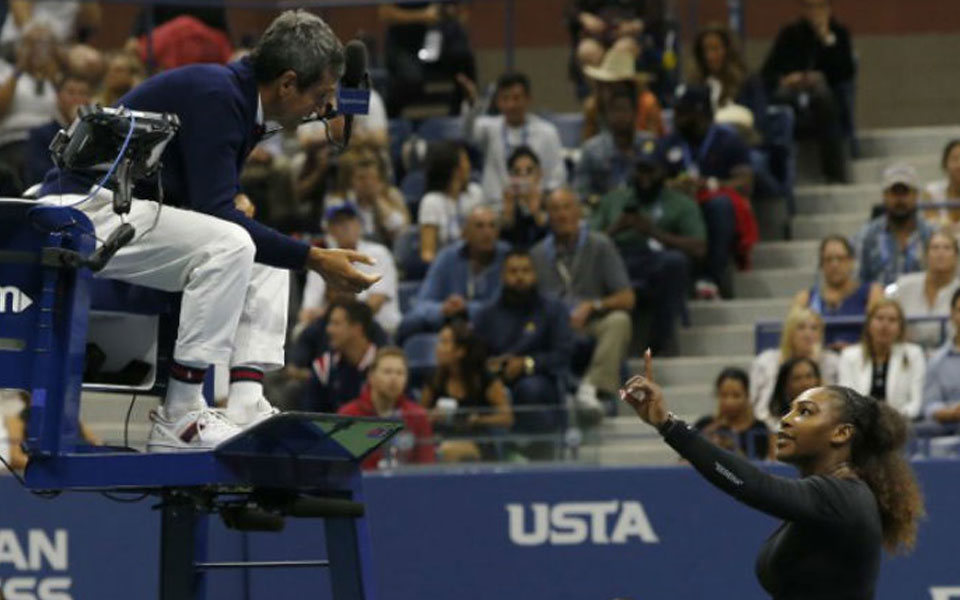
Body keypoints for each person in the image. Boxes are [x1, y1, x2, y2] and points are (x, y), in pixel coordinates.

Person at [35, 11, 380, 451]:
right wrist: (315, 259)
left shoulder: (238, 98)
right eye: (321, 95)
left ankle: (246, 401)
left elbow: (207, 196)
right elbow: (217, 215)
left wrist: (234, 204)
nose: (323, 108)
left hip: (124, 210)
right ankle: (180, 414)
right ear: (288, 83)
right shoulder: (219, 96)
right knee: (235, 243)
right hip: (81, 212)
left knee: (257, 247)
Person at [622, 353, 924, 599]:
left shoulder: (843, 497)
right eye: (789, 410)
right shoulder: (832, 497)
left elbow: (750, 484)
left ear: (841, 433)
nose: (786, 420)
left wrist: (669, 425)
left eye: (805, 412)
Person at [590, 145, 706, 354]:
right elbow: (586, 245)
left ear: (662, 171)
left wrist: (653, 232)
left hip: (655, 261)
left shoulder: (680, 203)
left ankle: (660, 342)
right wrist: (616, 227)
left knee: (675, 262)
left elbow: (699, 248)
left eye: (650, 170)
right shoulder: (613, 199)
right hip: (618, 260)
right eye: (640, 170)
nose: (644, 177)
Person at [531, 187, 635, 409]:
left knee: (619, 321)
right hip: (553, 326)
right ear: (547, 216)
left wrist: (594, 305)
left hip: (590, 322)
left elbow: (627, 297)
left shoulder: (601, 245)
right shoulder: (537, 254)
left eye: (567, 207)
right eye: (555, 209)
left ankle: (592, 387)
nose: (562, 214)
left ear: (579, 212)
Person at [657, 84, 752, 298]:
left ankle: (712, 278)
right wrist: (672, 186)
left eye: (682, 112)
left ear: (699, 113)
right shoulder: (669, 142)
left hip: (711, 202)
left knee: (720, 206)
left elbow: (745, 182)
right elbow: (651, 178)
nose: (676, 117)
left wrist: (710, 184)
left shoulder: (728, 140)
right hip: (677, 207)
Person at [474, 249, 574, 439]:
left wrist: (527, 363)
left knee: (529, 389)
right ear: (503, 276)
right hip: (495, 381)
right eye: (513, 271)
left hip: (541, 379)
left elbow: (563, 354)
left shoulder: (553, 310)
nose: (520, 276)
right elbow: (475, 355)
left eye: (525, 271)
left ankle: (537, 450)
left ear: (535, 274)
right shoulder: (486, 315)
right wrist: (492, 366)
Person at [761, 0, 855, 183]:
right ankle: (778, 169)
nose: (815, 12)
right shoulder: (789, 34)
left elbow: (845, 72)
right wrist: (787, 79)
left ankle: (834, 173)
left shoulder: (839, 34)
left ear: (829, 9)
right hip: (793, 92)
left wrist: (826, 39)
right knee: (779, 98)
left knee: (823, 98)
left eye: (820, 7)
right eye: (810, 7)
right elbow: (767, 72)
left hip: (826, 96)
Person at [398, 205, 510, 341]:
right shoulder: (447, 257)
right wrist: (443, 309)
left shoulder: (508, 258)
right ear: (465, 232)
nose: (487, 232)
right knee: (410, 322)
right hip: (450, 324)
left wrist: (467, 308)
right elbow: (423, 303)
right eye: (480, 226)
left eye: (492, 226)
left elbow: (505, 306)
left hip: (493, 327)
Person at [460, 71, 566, 209]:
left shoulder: (547, 132)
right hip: (496, 207)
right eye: (505, 98)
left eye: (516, 98)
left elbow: (557, 177)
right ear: (497, 102)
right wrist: (472, 101)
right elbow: (467, 133)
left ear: (528, 99)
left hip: (538, 207)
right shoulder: (488, 128)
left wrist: (540, 198)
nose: (511, 105)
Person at [301, 204, 400, 337]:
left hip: (379, 328)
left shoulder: (378, 253)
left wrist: (328, 313)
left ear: (359, 224)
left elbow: (374, 304)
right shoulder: (321, 260)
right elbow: (307, 313)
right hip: (334, 331)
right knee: (301, 331)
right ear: (330, 230)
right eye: (338, 222)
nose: (346, 226)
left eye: (350, 220)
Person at [421, 320, 514, 462]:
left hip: (477, 439)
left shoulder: (485, 379)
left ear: (460, 351)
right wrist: (431, 416)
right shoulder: (435, 378)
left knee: (448, 451)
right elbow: (419, 415)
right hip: (441, 437)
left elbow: (506, 418)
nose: (437, 348)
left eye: (444, 343)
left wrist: (478, 420)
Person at [338, 347, 436, 470]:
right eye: (387, 372)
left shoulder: (417, 415)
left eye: (400, 373)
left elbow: (426, 466)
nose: (394, 379)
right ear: (371, 376)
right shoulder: (349, 415)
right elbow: (340, 469)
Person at [379, 2, 476, 117]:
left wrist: (451, 12)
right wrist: (422, 16)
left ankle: (462, 106)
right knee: (411, 78)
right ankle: (397, 119)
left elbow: (459, 11)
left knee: (462, 55)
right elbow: (385, 13)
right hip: (404, 47)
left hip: (434, 41)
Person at [750, 307, 839, 427]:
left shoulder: (832, 361)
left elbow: (836, 406)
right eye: (801, 328)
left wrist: (814, 366)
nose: (808, 334)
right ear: (789, 333)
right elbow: (757, 406)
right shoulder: (766, 361)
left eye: (814, 328)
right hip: (770, 425)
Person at [838, 299, 925, 420]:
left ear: (900, 327)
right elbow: (847, 400)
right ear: (869, 323)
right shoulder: (849, 355)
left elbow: (916, 403)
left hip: (900, 424)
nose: (885, 325)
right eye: (879, 318)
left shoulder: (914, 354)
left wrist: (895, 419)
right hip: (861, 425)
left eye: (892, 320)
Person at [793, 234, 883, 349]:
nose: (834, 264)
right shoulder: (805, 298)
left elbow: (880, 334)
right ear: (821, 265)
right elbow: (792, 337)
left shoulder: (872, 292)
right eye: (828, 259)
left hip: (860, 359)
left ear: (851, 262)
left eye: (840, 259)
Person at [0, 23, 59, 192]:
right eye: (32, 43)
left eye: (44, 44)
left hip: (50, 141)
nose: (38, 49)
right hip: (15, 141)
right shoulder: (6, 73)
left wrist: (53, 77)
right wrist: (19, 69)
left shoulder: (54, 79)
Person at [855, 163, 935, 286]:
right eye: (894, 193)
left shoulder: (931, 234)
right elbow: (857, 279)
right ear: (885, 196)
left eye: (905, 193)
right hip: (879, 302)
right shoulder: (867, 235)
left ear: (915, 196)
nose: (900, 200)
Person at [575, 84, 655, 200]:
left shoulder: (649, 144)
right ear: (607, 115)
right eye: (615, 111)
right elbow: (580, 190)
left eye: (624, 110)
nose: (620, 116)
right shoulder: (591, 150)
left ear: (635, 113)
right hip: (602, 209)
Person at [887, 230, 960, 349]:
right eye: (935, 248)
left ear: (956, 256)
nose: (940, 253)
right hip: (907, 353)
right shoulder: (903, 285)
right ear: (926, 255)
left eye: (947, 248)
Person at [303, 300, 378, 414]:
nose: (328, 329)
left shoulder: (386, 365)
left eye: (336, 323)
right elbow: (310, 417)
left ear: (357, 328)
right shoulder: (324, 367)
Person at [418, 140, 483, 264]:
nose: (470, 166)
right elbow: (427, 253)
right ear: (456, 169)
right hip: (445, 267)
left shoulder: (476, 193)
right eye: (466, 161)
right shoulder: (431, 201)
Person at [580, 47, 663, 141]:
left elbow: (655, 143)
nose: (612, 91)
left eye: (617, 85)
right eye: (607, 85)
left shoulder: (648, 103)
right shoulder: (592, 106)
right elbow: (587, 143)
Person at [327, 151, 409, 246]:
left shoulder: (390, 196)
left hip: (383, 249)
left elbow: (399, 229)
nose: (367, 183)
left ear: (380, 181)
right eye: (361, 178)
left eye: (372, 178)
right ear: (351, 181)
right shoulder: (340, 200)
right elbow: (329, 233)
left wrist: (377, 199)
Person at [688, 23, 767, 120]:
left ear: (728, 50)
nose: (710, 56)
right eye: (705, 50)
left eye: (715, 49)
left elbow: (758, 119)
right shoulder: (695, 86)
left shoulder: (748, 82)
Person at [26, 71, 91, 186]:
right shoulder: (40, 134)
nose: (77, 99)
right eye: (71, 93)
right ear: (58, 97)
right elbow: (40, 175)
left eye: (82, 93)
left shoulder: (95, 134)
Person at [695, 367, 771, 460]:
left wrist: (733, 447)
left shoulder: (759, 429)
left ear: (747, 396)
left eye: (736, 396)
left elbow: (759, 468)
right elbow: (684, 461)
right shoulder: (704, 425)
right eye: (724, 395)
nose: (729, 402)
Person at [568, 0, 645, 72]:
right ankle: (598, 85)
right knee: (587, 50)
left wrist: (635, 25)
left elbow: (652, 15)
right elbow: (571, 9)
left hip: (627, 35)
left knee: (622, 50)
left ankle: (616, 86)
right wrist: (584, 17)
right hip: (597, 35)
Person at [922, 288, 960, 428]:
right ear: (952, 314)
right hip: (949, 437)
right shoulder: (937, 361)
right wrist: (950, 413)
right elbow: (930, 405)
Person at [500, 146, 549, 248]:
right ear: (510, 177)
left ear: (539, 175)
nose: (523, 176)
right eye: (517, 172)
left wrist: (536, 213)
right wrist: (508, 215)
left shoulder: (550, 203)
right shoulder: (507, 204)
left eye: (529, 171)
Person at [768, 357, 822, 429]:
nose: (805, 383)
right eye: (797, 378)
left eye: (809, 376)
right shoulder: (775, 423)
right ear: (785, 385)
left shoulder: (831, 416)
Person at [924, 139, 960, 234]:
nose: (959, 165)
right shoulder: (931, 192)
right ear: (945, 164)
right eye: (955, 159)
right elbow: (930, 227)